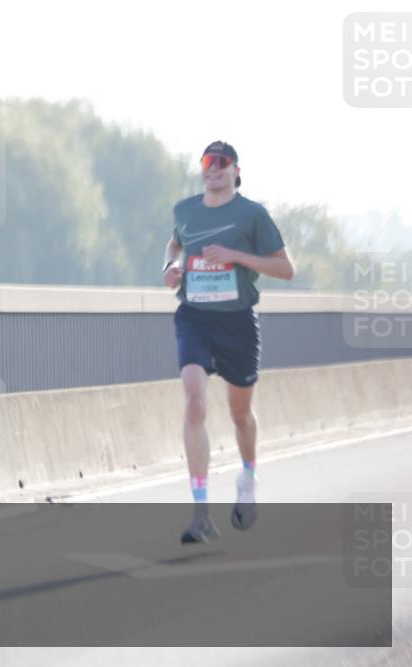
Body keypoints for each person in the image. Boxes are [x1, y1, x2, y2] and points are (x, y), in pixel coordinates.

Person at [162, 141, 295, 544]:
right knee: (195, 400)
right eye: (207, 162)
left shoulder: (252, 214)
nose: (213, 169)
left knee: (240, 414)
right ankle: (201, 512)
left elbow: (286, 268)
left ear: (236, 171)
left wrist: (236, 256)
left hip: (237, 321)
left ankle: (248, 479)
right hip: (194, 316)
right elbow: (176, 244)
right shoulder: (185, 210)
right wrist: (170, 266)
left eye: (222, 163)